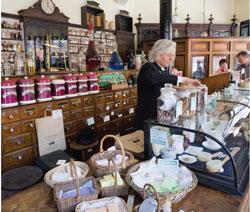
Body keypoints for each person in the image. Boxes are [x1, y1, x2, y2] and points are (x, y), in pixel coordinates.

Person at [134, 39, 201, 130]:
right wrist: (183, 80)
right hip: (147, 119)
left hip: (159, 119)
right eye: (169, 55)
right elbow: (155, 79)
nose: (171, 59)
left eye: (173, 56)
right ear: (159, 53)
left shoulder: (163, 69)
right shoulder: (148, 67)